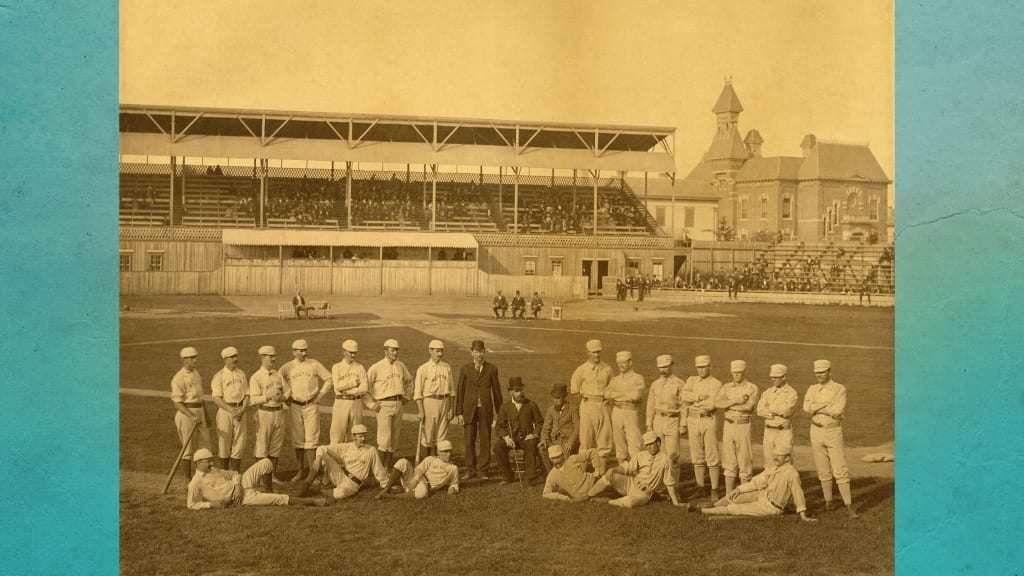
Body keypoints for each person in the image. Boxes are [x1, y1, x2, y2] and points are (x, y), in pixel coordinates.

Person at [700, 443, 816, 521]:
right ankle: (713, 506)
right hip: (763, 495)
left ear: (787, 458)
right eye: (775, 455)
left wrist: (803, 515)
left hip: (771, 507)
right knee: (734, 496)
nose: (775, 458)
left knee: (735, 509)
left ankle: (702, 511)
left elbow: (798, 493)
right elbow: (756, 483)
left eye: (779, 456)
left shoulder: (791, 473)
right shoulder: (774, 467)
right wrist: (738, 489)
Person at [803, 359, 858, 519]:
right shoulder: (812, 388)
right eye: (817, 373)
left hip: (833, 431)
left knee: (840, 468)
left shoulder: (839, 388)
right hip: (815, 430)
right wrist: (826, 405)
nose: (819, 375)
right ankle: (829, 503)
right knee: (822, 468)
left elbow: (837, 410)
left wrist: (817, 407)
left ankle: (849, 507)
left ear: (829, 372)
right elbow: (806, 408)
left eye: (822, 372)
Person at [187, 449, 327, 509]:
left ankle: (269, 491)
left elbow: (234, 473)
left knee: (266, 462)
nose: (212, 463)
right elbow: (191, 505)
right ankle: (313, 502)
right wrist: (210, 505)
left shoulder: (214, 470)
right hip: (239, 499)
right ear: (198, 463)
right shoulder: (196, 483)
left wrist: (237, 486)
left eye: (211, 460)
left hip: (240, 486)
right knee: (278, 499)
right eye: (208, 461)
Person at [587, 431, 688, 509]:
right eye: (647, 445)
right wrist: (613, 469)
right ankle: (589, 495)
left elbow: (669, 483)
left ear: (658, 443)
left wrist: (676, 503)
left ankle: (608, 501)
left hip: (644, 494)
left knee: (629, 503)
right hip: (631, 483)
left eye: (651, 444)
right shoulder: (641, 455)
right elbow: (627, 467)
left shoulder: (665, 460)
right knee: (609, 476)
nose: (648, 447)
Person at [280, 339, 332, 482]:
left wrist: (321, 394)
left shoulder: (314, 364)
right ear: (294, 352)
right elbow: (278, 382)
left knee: (312, 439)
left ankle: (312, 472)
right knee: (298, 439)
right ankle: (300, 470)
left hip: (311, 405)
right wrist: (285, 397)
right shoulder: (287, 367)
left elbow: (329, 378)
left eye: (305, 350)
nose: (304, 353)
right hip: (295, 406)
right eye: (300, 350)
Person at [297, 424, 390, 501]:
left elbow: (378, 469)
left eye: (365, 436)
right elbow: (322, 448)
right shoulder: (347, 447)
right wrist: (318, 460)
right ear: (353, 437)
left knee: (340, 494)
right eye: (360, 436)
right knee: (322, 452)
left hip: (353, 483)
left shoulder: (371, 450)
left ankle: (318, 491)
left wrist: (386, 484)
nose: (363, 439)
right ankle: (306, 485)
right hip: (340, 475)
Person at [453, 339, 503, 480]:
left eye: (481, 352)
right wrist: (459, 413)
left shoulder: (492, 369)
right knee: (469, 439)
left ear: (484, 352)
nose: (478, 355)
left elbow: (497, 392)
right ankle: (470, 469)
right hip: (469, 410)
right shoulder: (465, 369)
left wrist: (500, 412)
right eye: (475, 352)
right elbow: (460, 391)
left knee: (485, 439)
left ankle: (483, 470)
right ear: (471, 353)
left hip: (485, 410)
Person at [365, 339, 414, 470]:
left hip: (398, 403)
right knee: (384, 439)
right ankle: (379, 469)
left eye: (397, 350)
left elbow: (409, 381)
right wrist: (371, 404)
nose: (395, 353)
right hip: (383, 405)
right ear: (385, 351)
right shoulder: (376, 367)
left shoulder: (401, 366)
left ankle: (386, 467)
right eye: (392, 350)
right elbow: (365, 387)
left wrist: (407, 397)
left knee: (394, 439)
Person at [681, 355, 723, 501]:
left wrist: (693, 399)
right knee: (696, 455)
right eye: (699, 367)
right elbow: (683, 397)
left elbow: (712, 404)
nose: (701, 370)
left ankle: (714, 489)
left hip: (708, 419)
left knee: (712, 454)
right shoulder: (691, 380)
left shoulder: (716, 383)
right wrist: (699, 397)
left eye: (704, 367)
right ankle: (700, 488)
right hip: (692, 419)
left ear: (710, 367)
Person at [715, 360, 759, 495]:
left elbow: (748, 407)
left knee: (744, 461)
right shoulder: (726, 387)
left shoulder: (752, 388)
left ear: (745, 372)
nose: (737, 375)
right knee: (729, 461)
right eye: (734, 373)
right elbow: (717, 403)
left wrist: (728, 405)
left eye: (739, 372)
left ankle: (744, 495)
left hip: (743, 425)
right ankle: (729, 495)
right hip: (728, 425)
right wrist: (736, 401)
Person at [247, 345, 287, 492]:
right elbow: (253, 400)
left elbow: (288, 391)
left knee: (276, 446)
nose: (274, 359)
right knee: (262, 447)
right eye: (271, 356)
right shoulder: (256, 377)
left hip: (279, 412)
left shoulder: (277, 374)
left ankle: (272, 475)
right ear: (262, 357)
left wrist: (282, 397)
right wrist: (268, 397)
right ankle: (259, 477)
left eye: (274, 356)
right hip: (264, 413)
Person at [170, 346, 213, 482]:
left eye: (195, 357)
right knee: (187, 449)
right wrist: (192, 415)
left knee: (206, 445)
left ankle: (204, 477)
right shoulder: (178, 377)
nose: (195, 360)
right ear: (184, 359)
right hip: (186, 413)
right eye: (191, 358)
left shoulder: (196, 373)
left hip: (199, 411)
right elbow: (177, 403)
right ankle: (188, 480)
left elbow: (200, 398)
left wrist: (206, 415)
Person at [493, 377, 545, 485]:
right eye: (516, 391)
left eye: (521, 390)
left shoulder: (531, 405)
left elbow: (540, 422)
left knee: (531, 445)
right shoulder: (504, 407)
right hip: (511, 439)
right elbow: (499, 426)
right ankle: (507, 476)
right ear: (511, 392)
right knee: (498, 447)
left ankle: (529, 477)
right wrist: (506, 437)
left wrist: (534, 434)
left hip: (527, 438)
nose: (519, 393)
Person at [569, 339, 614, 458]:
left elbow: (612, 387)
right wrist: (585, 400)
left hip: (603, 406)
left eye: (599, 352)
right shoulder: (581, 370)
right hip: (587, 405)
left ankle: (602, 467)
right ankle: (584, 467)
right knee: (586, 439)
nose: (597, 355)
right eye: (594, 352)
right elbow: (575, 390)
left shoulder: (607, 369)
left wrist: (607, 397)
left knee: (604, 439)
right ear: (588, 353)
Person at [376, 439, 460, 499]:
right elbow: (419, 469)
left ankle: (391, 496)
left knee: (422, 494)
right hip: (417, 478)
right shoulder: (431, 459)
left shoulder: (453, 468)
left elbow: (454, 484)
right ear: (438, 452)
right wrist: (415, 480)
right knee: (402, 462)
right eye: (445, 451)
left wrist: (452, 489)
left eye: (450, 451)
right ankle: (386, 489)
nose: (448, 454)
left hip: (426, 486)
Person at [210, 346, 249, 472]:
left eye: (235, 356)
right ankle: (224, 474)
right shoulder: (219, 376)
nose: (235, 359)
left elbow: (247, 394)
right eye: (231, 357)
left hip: (240, 410)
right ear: (225, 359)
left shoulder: (241, 374)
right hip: (225, 411)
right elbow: (217, 398)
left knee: (239, 444)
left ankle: (235, 474)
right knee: (224, 444)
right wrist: (232, 411)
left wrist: (242, 409)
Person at [414, 339, 454, 459]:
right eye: (437, 351)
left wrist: (451, 408)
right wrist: (420, 410)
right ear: (430, 351)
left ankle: (438, 464)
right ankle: (426, 464)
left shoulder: (447, 367)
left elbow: (452, 390)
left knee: (441, 437)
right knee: (427, 436)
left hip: (445, 402)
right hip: (430, 402)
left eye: (441, 351)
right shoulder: (423, 368)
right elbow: (418, 393)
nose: (440, 354)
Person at [605, 351, 646, 463]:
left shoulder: (638, 378)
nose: (620, 365)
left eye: (623, 362)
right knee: (619, 446)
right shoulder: (615, 379)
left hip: (630, 412)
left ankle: (636, 471)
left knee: (634, 444)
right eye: (619, 363)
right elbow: (607, 394)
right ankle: (623, 472)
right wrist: (626, 394)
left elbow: (636, 396)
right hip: (617, 412)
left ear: (630, 362)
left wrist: (616, 394)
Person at [756, 364, 798, 472]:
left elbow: (787, 413)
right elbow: (759, 410)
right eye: (772, 377)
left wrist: (769, 407)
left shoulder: (792, 393)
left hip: (783, 432)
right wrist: (776, 411)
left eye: (776, 377)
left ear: (784, 377)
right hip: (768, 432)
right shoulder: (767, 392)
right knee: (768, 464)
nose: (773, 379)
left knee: (785, 465)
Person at [645, 354, 687, 464]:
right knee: (658, 452)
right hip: (658, 420)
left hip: (672, 420)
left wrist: (683, 424)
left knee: (673, 454)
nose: (663, 370)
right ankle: (661, 475)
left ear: (671, 365)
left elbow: (684, 406)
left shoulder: (680, 384)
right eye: (660, 367)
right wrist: (649, 424)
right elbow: (650, 405)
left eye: (665, 367)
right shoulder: (655, 384)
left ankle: (672, 475)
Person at [326, 339, 368, 445]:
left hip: (356, 403)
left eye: (354, 353)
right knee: (337, 436)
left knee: (354, 435)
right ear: (344, 351)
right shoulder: (337, 367)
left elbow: (364, 388)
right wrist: (353, 383)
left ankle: (352, 456)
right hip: (341, 403)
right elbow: (338, 386)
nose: (353, 355)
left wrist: (348, 391)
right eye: (350, 352)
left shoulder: (360, 367)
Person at [541, 444, 606, 503]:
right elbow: (546, 493)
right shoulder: (552, 475)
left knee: (610, 477)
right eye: (553, 458)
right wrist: (563, 497)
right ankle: (597, 498)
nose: (556, 461)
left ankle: (598, 497)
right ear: (550, 459)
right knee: (602, 497)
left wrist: (597, 470)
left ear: (563, 455)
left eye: (558, 457)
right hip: (582, 496)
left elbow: (592, 452)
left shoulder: (572, 459)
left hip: (595, 483)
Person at [538, 385, 579, 472]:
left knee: (564, 454)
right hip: (554, 441)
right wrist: (544, 439)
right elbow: (546, 427)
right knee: (542, 449)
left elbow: (577, 427)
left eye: (558, 398)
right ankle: (551, 473)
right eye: (554, 398)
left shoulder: (573, 409)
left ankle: (564, 474)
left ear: (564, 397)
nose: (555, 400)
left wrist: (570, 442)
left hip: (567, 442)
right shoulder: (551, 409)